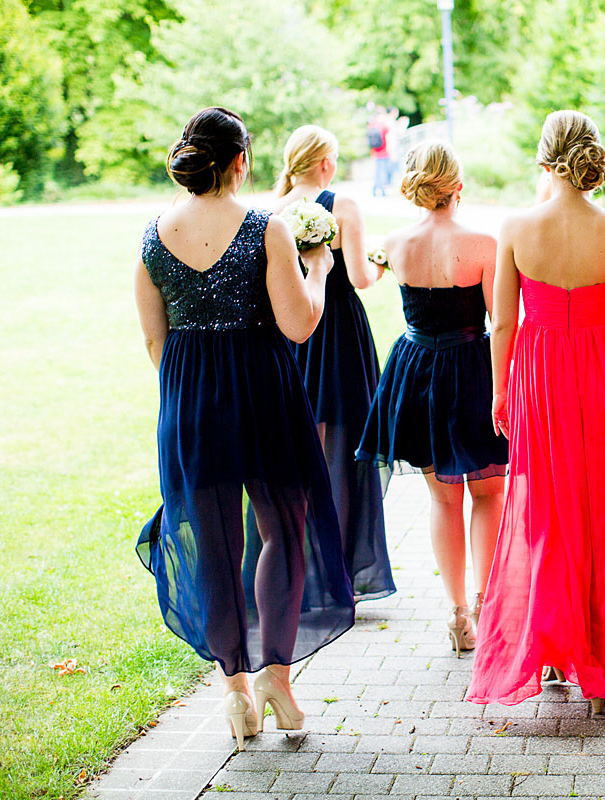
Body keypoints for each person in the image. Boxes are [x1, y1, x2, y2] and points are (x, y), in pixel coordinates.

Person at [133, 107, 354, 749]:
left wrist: (194, 386)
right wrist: (318, 271)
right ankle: (277, 679)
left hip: (190, 401)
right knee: (283, 529)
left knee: (215, 541)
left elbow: (154, 339)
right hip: (265, 396)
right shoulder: (267, 228)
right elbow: (298, 324)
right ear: (241, 161)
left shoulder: (151, 235)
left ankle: (233, 694)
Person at [466, 110, 605, 714]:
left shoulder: (517, 227)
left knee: (548, 510)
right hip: (604, 375)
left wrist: (499, 391)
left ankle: (552, 649)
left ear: (545, 158)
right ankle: (602, 666)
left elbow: (502, 322)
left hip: (541, 378)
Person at [356, 141, 508, 656]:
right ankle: (486, 603)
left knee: (442, 498)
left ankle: (457, 612)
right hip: (471, 370)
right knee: (489, 493)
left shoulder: (396, 243)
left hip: (418, 370)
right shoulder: (485, 243)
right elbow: (498, 320)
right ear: (458, 187)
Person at [268, 124, 394, 600]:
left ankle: (298, 569)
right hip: (337, 331)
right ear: (325, 163)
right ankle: (340, 569)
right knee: (341, 452)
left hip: (292, 335)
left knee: (299, 446)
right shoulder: (343, 205)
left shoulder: (270, 211)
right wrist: (381, 261)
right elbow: (360, 277)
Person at [368, 109, 395, 197]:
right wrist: (391, 151)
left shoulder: (371, 125)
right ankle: (383, 190)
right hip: (384, 153)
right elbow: (388, 139)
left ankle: (374, 189)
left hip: (375, 153)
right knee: (383, 171)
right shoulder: (384, 126)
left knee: (377, 171)